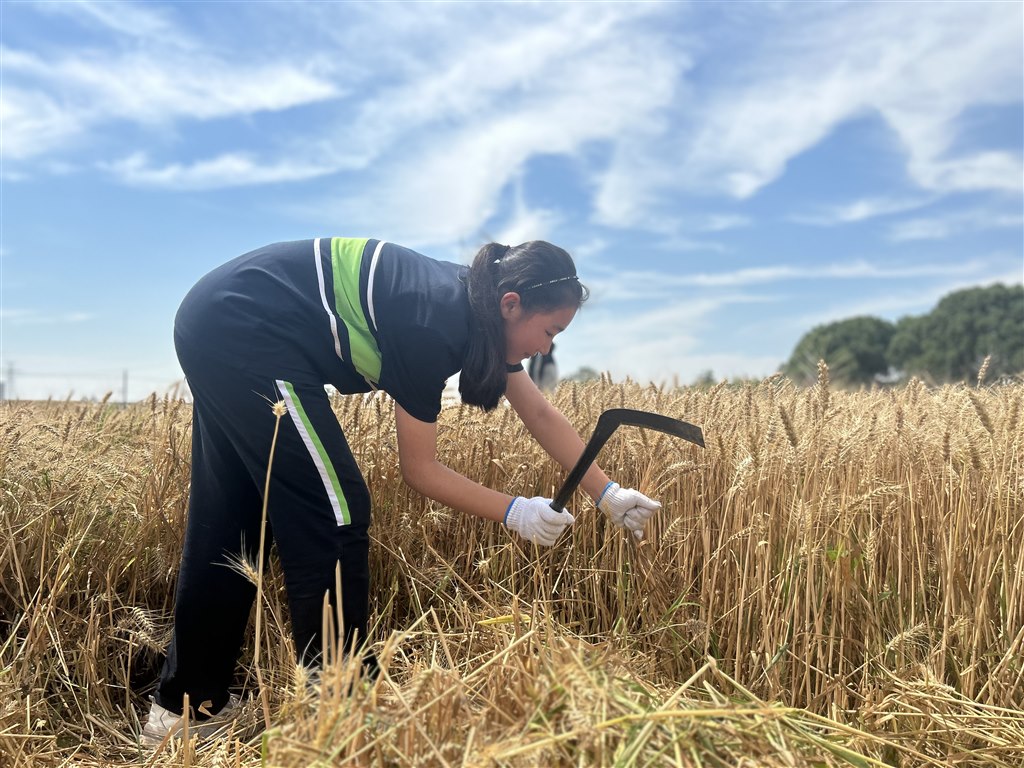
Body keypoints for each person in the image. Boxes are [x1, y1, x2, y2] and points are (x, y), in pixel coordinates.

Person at [141, 237, 661, 744]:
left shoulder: (475, 309)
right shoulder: (433, 324)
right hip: (246, 328)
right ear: (511, 304)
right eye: (550, 331)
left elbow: (540, 412)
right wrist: (515, 511)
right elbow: (421, 469)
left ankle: (186, 709)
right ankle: (342, 718)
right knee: (336, 512)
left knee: (232, 520)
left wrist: (608, 493)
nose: (546, 348)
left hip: (218, 319)